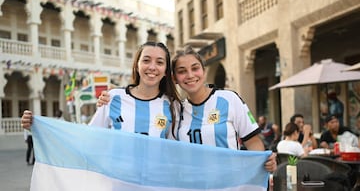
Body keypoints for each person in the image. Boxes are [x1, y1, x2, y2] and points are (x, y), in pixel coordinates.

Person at [97, 45, 277, 172]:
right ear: (174, 77)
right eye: (182, 71)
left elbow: (253, 142)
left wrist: (264, 164)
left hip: (230, 184)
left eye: (195, 68)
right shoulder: (176, 109)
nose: (190, 75)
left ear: (203, 71)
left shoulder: (229, 99)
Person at [21, 41, 181, 140]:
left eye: (159, 62)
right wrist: (40, 127)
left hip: (155, 184)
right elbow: (89, 136)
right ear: (137, 66)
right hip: (118, 183)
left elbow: (175, 150)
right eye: (146, 60)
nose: (152, 67)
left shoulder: (172, 106)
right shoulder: (113, 98)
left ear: (166, 70)